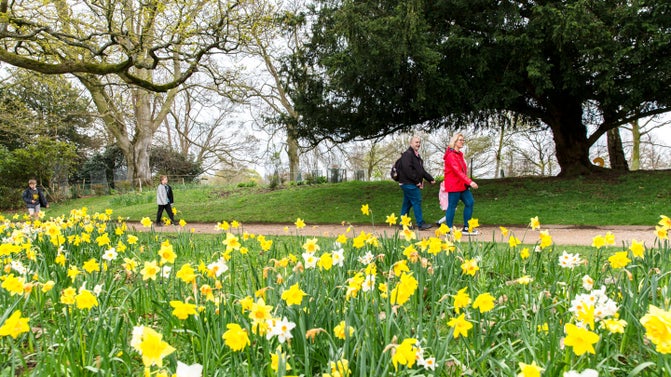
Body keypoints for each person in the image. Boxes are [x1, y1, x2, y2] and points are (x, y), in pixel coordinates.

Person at [398, 135, 436, 231]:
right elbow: (407, 170)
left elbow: (421, 171)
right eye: (416, 142)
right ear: (411, 143)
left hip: (409, 183)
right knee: (417, 201)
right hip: (408, 183)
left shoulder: (416, 156)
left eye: (419, 142)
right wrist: (417, 182)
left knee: (407, 203)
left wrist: (430, 179)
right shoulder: (408, 154)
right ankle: (420, 224)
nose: (418, 144)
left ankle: (403, 223)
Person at [443, 133, 479, 235]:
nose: (462, 142)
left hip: (462, 185)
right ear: (454, 142)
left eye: (463, 140)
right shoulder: (451, 156)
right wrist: (470, 182)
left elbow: (463, 171)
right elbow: (457, 171)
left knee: (470, 202)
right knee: (452, 206)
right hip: (454, 185)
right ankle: (448, 229)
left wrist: (467, 182)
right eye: (460, 140)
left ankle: (466, 228)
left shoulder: (459, 154)